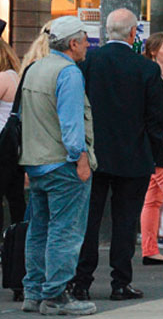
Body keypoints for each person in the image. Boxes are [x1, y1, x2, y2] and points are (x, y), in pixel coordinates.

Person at [72, 9, 163, 303]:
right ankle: (120, 283)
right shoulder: (147, 69)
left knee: (89, 221)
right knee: (125, 223)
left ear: (105, 30)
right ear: (132, 33)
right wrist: (157, 156)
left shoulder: (89, 63)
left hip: (94, 156)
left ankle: (81, 282)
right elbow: (155, 119)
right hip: (133, 157)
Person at [19, 17, 96, 316]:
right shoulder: (69, 74)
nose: (89, 44)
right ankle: (55, 296)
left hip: (36, 162)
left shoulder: (34, 68)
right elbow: (72, 124)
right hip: (63, 165)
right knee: (66, 231)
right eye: (85, 39)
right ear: (73, 43)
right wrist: (81, 159)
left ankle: (34, 292)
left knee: (39, 230)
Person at [139, 33, 163, 267]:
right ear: (154, 51)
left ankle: (150, 248)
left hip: (156, 142)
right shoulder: (155, 77)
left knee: (152, 198)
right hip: (160, 142)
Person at [0, 38, 24, 231]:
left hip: (2, 147)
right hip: (13, 147)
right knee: (16, 198)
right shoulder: (14, 76)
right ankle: (17, 250)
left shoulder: (3, 78)